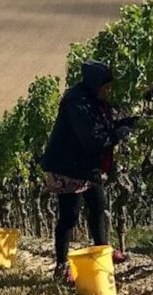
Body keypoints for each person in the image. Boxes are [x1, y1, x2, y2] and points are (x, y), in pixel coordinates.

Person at [42, 60, 136, 281]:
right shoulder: (78, 104)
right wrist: (118, 133)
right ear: (96, 84)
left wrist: (126, 122)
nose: (108, 90)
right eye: (106, 86)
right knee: (69, 215)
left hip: (85, 164)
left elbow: (102, 127)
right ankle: (62, 265)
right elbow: (93, 139)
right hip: (67, 167)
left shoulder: (93, 99)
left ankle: (102, 251)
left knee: (98, 206)